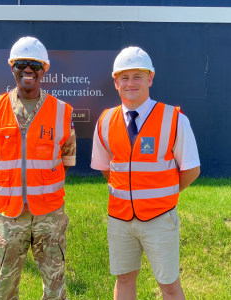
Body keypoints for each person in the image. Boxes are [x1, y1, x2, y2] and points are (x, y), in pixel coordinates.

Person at [91, 46, 200, 300]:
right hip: (120, 219)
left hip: (160, 218)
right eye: (124, 77)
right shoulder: (105, 121)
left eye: (137, 76)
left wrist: (161, 192)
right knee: (125, 279)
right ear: (115, 82)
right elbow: (108, 170)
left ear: (150, 78)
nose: (131, 83)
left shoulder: (174, 119)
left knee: (169, 286)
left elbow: (191, 170)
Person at [0, 36, 76, 300]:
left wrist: (39, 184)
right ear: (12, 66)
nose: (28, 70)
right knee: (5, 288)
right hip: (9, 216)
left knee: (55, 286)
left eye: (35, 64)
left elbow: (65, 160)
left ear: (45, 68)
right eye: (21, 63)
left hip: (50, 215)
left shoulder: (62, 112)